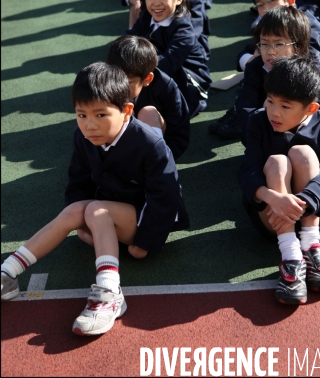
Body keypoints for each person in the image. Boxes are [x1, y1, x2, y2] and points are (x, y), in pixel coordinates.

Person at [0, 62, 190, 335]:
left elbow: (167, 198)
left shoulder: (151, 143)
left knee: (97, 210)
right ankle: (8, 273)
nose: (90, 125)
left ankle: (110, 294)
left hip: (147, 218)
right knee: (76, 209)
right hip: (111, 212)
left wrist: (146, 241)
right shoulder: (84, 137)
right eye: (81, 115)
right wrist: (81, 223)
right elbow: (78, 180)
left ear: (126, 111)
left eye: (100, 114)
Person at [237, 55, 320, 304]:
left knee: (303, 153)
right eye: (270, 101)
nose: (274, 112)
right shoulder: (258, 120)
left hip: (314, 217)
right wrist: (271, 197)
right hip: (271, 216)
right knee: (276, 162)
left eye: (285, 107)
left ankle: (311, 245)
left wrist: (306, 200)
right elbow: (247, 169)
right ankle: (291, 257)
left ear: (311, 108)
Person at [235, 6, 320, 141]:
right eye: (264, 44)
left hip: (301, 135)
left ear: (298, 47)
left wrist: (296, 125)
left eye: (279, 44)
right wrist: (261, 127)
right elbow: (244, 105)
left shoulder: (310, 70)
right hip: (265, 134)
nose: (270, 51)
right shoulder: (255, 68)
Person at [126, 0, 211, 118]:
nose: (156, 2)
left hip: (186, 81)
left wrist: (136, 69)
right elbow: (128, 40)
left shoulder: (183, 29)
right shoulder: (146, 17)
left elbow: (168, 63)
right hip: (152, 74)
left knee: (153, 110)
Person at [106, 35, 190, 160]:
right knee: (124, 112)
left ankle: (153, 160)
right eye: (115, 79)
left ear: (147, 79)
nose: (119, 86)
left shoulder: (165, 87)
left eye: (128, 83)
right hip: (118, 152)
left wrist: (165, 159)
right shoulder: (103, 83)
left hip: (155, 148)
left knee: (147, 112)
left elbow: (179, 133)